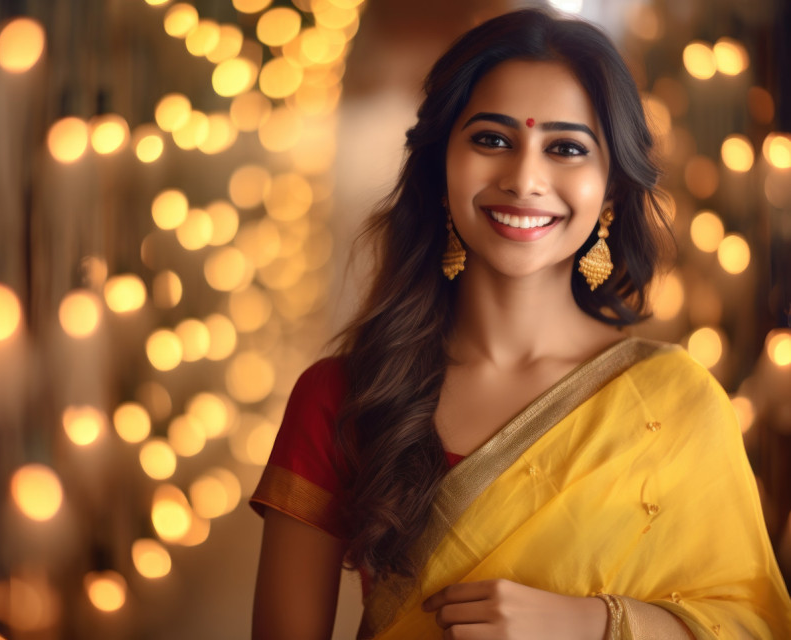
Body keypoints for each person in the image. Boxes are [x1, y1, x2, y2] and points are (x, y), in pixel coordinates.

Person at [250, 8, 791, 639]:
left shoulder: (674, 403)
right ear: (439, 166)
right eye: (492, 140)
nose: (524, 179)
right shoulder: (346, 398)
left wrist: (592, 625)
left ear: (611, 189)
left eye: (565, 148)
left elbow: (753, 625)